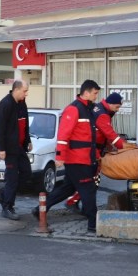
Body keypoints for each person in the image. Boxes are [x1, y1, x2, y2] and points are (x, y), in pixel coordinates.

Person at [37, 80, 102, 233]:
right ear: (86, 93)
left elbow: (89, 137)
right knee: (88, 189)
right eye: (95, 93)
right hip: (77, 159)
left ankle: (39, 209)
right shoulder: (74, 109)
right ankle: (93, 223)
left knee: (68, 188)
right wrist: (60, 156)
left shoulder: (87, 109)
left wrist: (96, 155)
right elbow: (63, 135)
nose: (96, 96)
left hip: (84, 158)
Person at [65, 91, 127, 210]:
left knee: (79, 181)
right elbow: (110, 134)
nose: (118, 110)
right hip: (94, 151)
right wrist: (125, 147)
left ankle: (79, 204)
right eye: (117, 107)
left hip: (86, 149)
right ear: (111, 103)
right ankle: (74, 202)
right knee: (92, 181)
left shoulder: (99, 108)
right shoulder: (103, 114)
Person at [0, 80, 32, 221]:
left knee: (26, 173)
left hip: (20, 147)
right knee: (12, 179)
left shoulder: (22, 104)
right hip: (9, 149)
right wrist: (1, 149)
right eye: (24, 91)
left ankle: (4, 195)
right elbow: (0, 128)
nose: (26, 94)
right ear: (16, 90)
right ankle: (7, 207)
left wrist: (28, 141)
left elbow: (25, 124)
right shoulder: (5, 104)